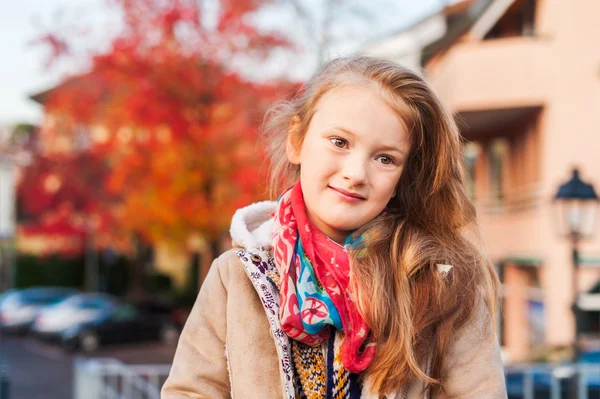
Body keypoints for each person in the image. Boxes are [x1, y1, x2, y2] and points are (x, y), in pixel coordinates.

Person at [161, 56, 507, 399]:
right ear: (296, 140)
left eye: (385, 158)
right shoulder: (234, 278)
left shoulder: (443, 283)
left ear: (404, 176)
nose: (356, 173)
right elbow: (191, 392)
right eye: (339, 142)